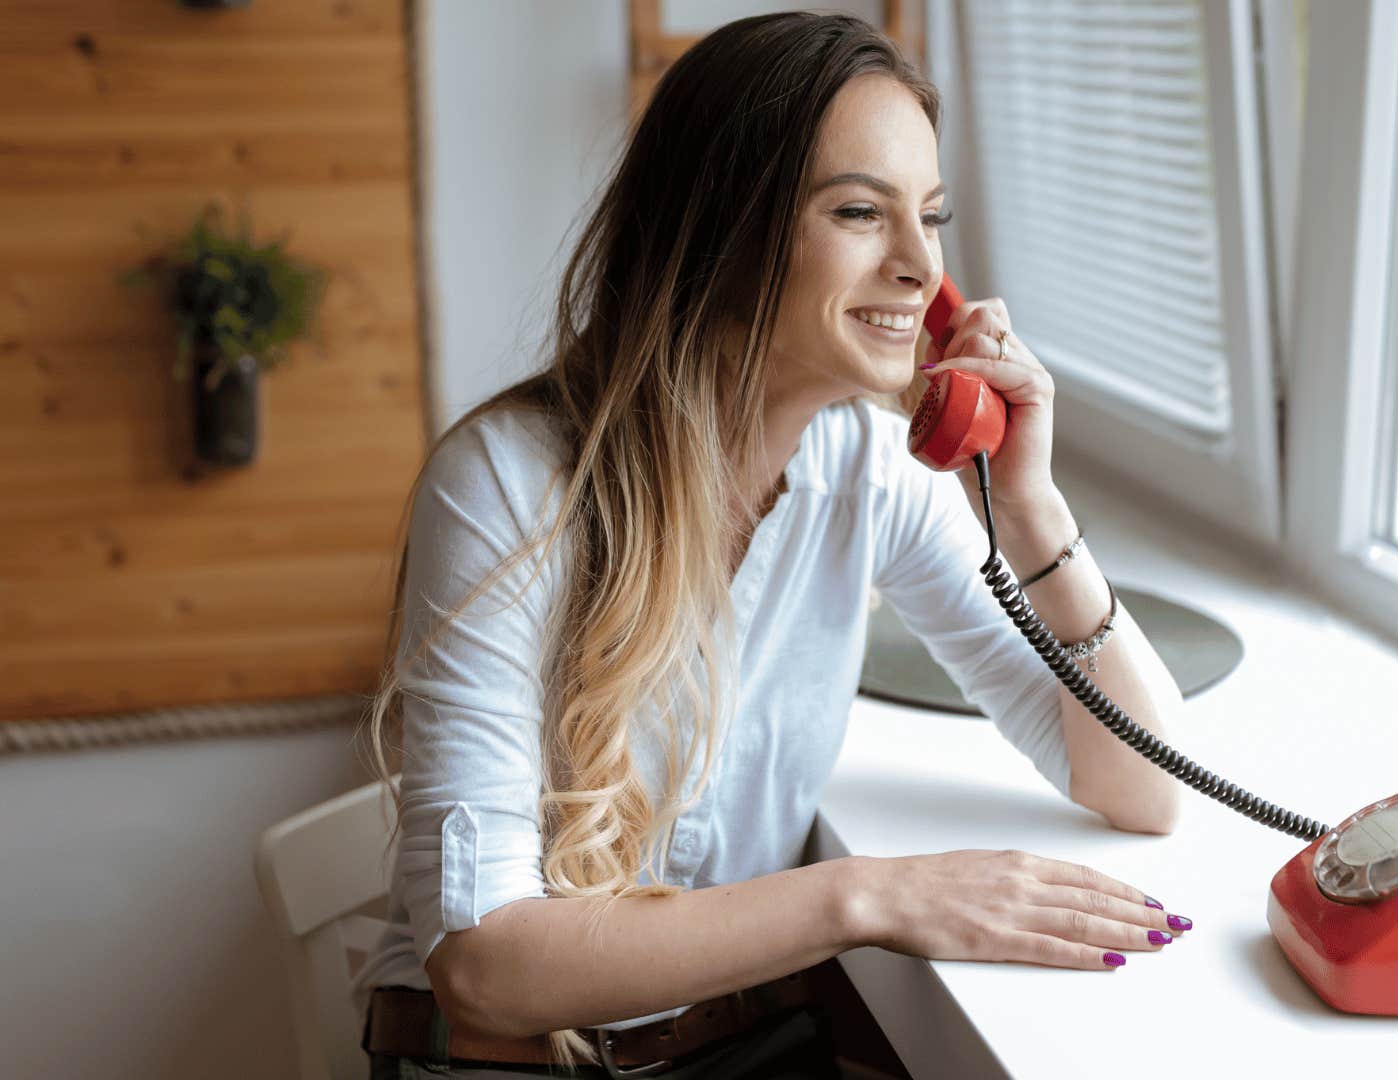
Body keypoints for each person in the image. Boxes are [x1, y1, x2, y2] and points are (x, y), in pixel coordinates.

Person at [353, 12, 1190, 1078]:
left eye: (930, 219)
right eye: (859, 212)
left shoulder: (874, 474)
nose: (918, 265)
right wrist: (871, 895)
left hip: (740, 1049)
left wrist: (1030, 512)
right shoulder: (506, 487)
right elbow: (486, 968)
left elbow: (1140, 785)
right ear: (724, 229)